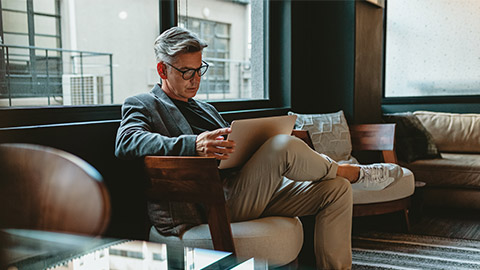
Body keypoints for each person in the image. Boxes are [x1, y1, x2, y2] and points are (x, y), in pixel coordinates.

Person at [115, 26, 402, 269]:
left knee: (335, 190)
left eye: (200, 69)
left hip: (243, 190)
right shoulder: (143, 104)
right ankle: (352, 172)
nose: (196, 79)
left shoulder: (205, 109)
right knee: (283, 145)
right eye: (186, 72)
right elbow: (127, 142)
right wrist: (194, 144)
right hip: (208, 203)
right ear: (162, 69)